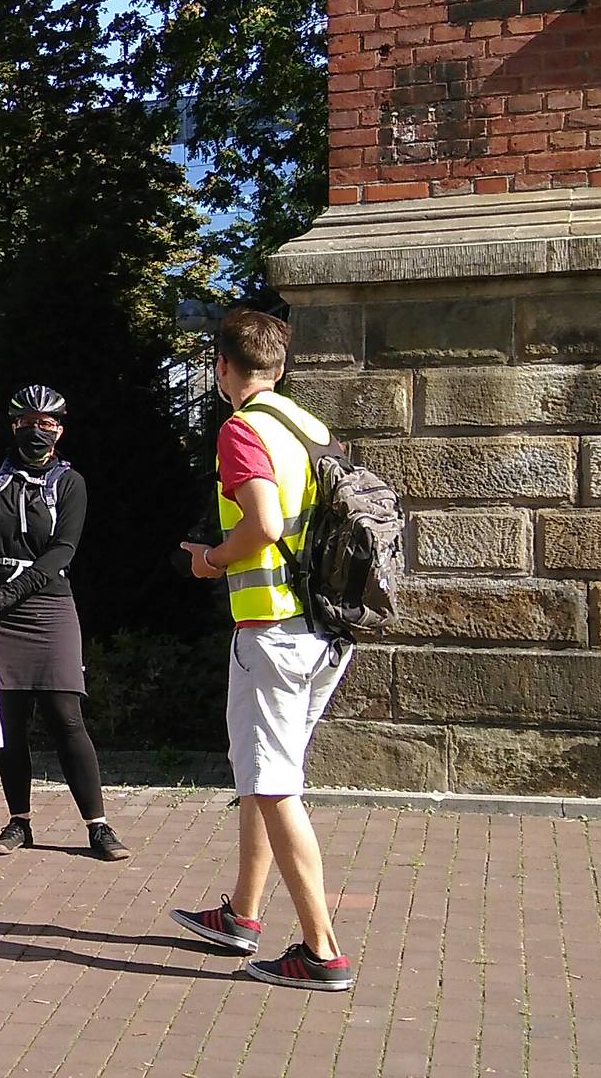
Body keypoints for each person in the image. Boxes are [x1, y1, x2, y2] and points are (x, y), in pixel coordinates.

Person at [170, 310, 356, 993]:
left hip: (271, 631)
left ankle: (321, 950)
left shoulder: (241, 429)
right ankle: (240, 916)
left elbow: (265, 523)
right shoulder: (306, 426)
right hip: (322, 630)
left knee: (275, 788)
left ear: (223, 367)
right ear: (279, 365)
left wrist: (212, 561)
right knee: (262, 770)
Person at [0, 382, 124, 863]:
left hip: (46, 605)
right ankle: (18, 821)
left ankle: (98, 826)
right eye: (26, 423)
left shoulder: (70, 483)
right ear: (13, 426)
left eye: (46, 425)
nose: (36, 432)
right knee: (10, 721)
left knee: (66, 717)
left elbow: (61, 552)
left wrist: (9, 595)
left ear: (60, 430)